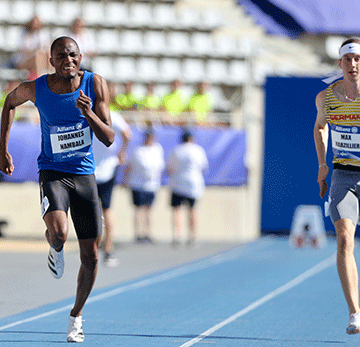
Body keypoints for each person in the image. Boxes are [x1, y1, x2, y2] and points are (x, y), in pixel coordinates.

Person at [0, 36, 115, 343]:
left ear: (81, 57)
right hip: (52, 171)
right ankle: (55, 246)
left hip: (84, 176)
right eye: (61, 56)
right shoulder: (38, 88)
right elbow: (9, 103)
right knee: (60, 233)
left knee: (91, 256)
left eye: (73, 55)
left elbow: (109, 137)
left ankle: (76, 316)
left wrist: (88, 114)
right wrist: (3, 149)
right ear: (51, 61)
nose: (69, 60)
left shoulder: (95, 84)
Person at [314, 37, 360, 335]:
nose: (353, 64)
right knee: (344, 240)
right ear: (340, 64)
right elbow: (320, 127)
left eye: (358, 59)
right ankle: (355, 313)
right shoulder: (326, 98)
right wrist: (322, 164)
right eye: (349, 59)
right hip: (344, 176)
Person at [93, 110, 132, 267]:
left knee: (93, 211)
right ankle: (108, 250)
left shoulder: (87, 113)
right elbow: (128, 134)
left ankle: (94, 250)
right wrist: (122, 152)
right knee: (107, 209)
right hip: (106, 166)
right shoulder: (113, 116)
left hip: (92, 168)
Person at [166, 130, 208, 247]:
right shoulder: (198, 150)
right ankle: (192, 236)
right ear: (191, 139)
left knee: (177, 210)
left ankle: (176, 236)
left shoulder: (176, 150)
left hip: (178, 183)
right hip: (193, 184)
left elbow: (169, 168)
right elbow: (204, 167)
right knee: (192, 210)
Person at [123, 128, 165, 243]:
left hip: (151, 185)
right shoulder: (138, 151)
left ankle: (148, 233)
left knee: (149, 210)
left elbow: (160, 168)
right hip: (137, 184)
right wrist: (125, 180)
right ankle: (138, 234)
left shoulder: (157, 150)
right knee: (138, 209)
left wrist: (158, 181)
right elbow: (129, 166)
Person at [12, 15, 51, 79]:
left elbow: (46, 48)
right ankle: (40, 77)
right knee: (38, 56)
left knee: (47, 55)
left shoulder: (42, 34)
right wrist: (35, 51)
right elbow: (22, 50)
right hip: (23, 60)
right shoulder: (24, 34)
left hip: (38, 58)